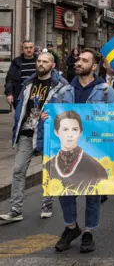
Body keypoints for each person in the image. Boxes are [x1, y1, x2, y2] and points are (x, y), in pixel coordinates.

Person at [42, 48, 114, 253]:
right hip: (67, 148)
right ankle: (71, 227)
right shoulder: (64, 91)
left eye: (84, 60)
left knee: (92, 193)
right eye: (78, 60)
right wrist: (46, 117)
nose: (78, 63)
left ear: (93, 66)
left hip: (94, 149)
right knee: (65, 190)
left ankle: (88, 233)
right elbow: (54, 115)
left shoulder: (105, 91)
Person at [0, 53, 66, 222]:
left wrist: (54, 117)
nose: (41, 64)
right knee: (18, 170)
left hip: (47, 134)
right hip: (26, 132)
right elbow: (22, 107)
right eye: (39, 61)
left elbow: (67, 111)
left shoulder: (61, 86)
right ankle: (15, 209)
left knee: (48, 170)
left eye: (45, 61)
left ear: (53, 65)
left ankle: (46, 205)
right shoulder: (28, 83)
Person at [5, 40, 37, 109]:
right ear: (22, 49)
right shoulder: (16, 62)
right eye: (26, 48)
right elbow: (10, 79)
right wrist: (9, 94)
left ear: (34, 48)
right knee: (20, 118)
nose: (29, 50)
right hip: (20, 95)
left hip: (36, 96)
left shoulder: (39, 61)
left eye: (31, 47)